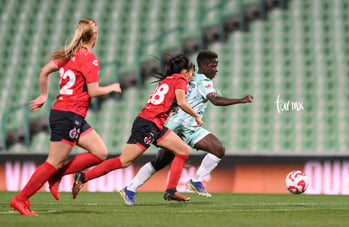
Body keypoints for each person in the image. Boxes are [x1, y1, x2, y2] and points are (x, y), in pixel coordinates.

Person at [10, 18, 122, 216]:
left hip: (71, 114)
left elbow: (44, 71)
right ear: (94, 36)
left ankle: (57, 176)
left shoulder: (67, 55)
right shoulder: (90, 59)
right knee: (52, 162)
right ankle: (20, 199)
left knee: (100, 152)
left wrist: (44, 95)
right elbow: (94, 91)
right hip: (68, 114)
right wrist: (112, 87)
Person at [119, 50, 253, 205]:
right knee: (161, 161)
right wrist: (241, 100)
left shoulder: (191, 77)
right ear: (203, 65)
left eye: (217, 66)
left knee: (218, 149)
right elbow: (216, 101)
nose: (216, 69)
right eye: (213, 66)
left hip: (189, 128)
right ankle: (132, 188)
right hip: (180, 125)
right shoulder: (203, 81)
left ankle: (194, 181)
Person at [71, 54, 203, 202]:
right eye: (191, 72)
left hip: (154, 124)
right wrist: (196, 116)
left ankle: (171, 190)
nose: (192, 76)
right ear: (185, 72)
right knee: (124, 161)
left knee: (183, 150)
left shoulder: (168, 79)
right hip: (148, 124)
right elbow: (182, 101)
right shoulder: (180, 79)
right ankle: (84, 177)